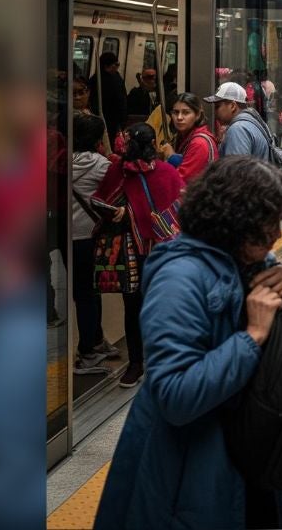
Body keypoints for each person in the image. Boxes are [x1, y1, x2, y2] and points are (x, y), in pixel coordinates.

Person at [93, 157, 282, 530]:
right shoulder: (179, 279)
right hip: (191, 471)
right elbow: (175, 395)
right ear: (234, 222)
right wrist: (251, 339)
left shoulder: (252, 262)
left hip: (251, 452)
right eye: (268, 224)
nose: (276, 236)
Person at [92, 123, 186, 387]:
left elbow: (99, 200)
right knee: (150, 306)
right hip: (147, 251)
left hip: (141, 251)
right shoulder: (155, 171)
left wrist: (124, 214)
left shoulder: (129, 172)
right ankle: (146, 362)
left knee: (136, 308)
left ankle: (140, 363)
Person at [71, 113, 116, 375]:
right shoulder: (102, 165)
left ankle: (96, 340)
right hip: (91, 235)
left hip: (71, 234)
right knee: (89, 293)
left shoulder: (62, 161)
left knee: (84, 291)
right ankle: (87, 352)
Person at [206, 82, 272, 160]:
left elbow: (236, 170)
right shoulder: (249, 123)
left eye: (217, 107)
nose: (215, 112)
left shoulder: (238, 129)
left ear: (232, 106)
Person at [168, 92, 219, 183]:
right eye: (176, 112)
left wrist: (171, 157)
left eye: (186, 112)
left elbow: (180, 180)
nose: (179, 117)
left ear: (198, 115)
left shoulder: (199, 143)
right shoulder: (183, 137)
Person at [89, 51, 128, 143]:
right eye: (116, 64)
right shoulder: (115, 79)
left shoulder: (94, 80)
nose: (117, 67)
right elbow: (121, 101)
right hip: (112, 120)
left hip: (97, 119)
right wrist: (122, 121)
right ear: (108, 66)